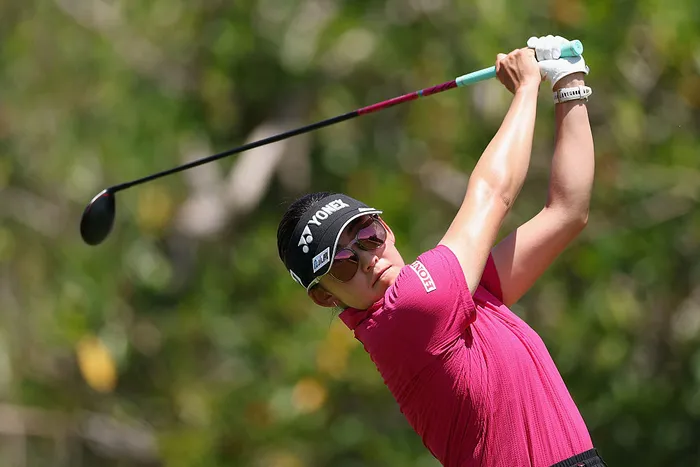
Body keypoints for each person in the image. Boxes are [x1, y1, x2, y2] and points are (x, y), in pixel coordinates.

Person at [276, 35, 605, 467]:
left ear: (387, 229)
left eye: (368, 235)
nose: (368, 258)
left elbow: (567, 211)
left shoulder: (461, 299)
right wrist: (526, 87)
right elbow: (493, 193)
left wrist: (568, 81)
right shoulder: (411, 310)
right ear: (324, 297)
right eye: (341, 262)